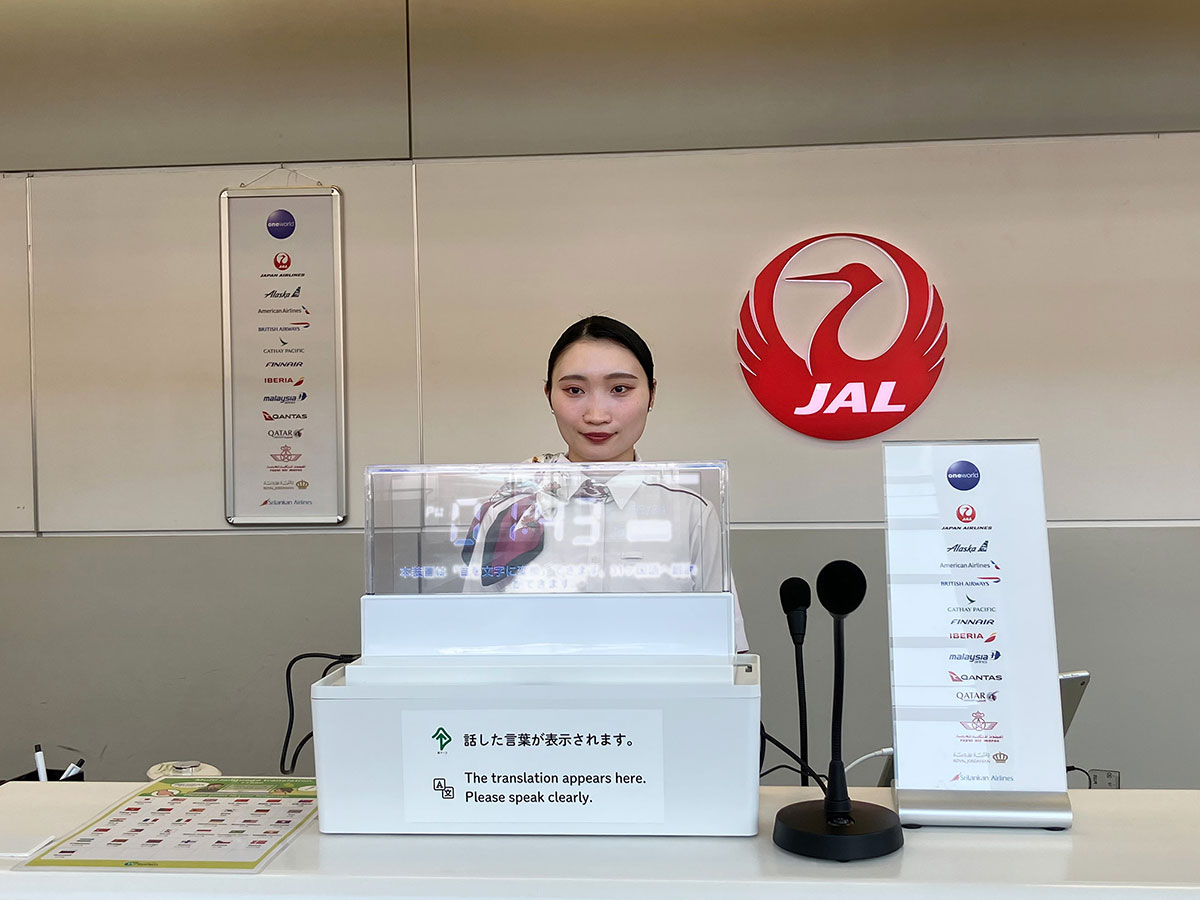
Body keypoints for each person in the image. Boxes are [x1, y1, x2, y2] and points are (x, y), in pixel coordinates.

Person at [460, 315, 748, 652]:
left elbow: (727, 649)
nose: (597, 414)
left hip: (656, 704)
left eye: (620, 389)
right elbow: (472, 637)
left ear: (652, 394)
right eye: (574, 390)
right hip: (531, 701)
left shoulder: (690, 513)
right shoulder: (511, 507)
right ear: (549, 395)